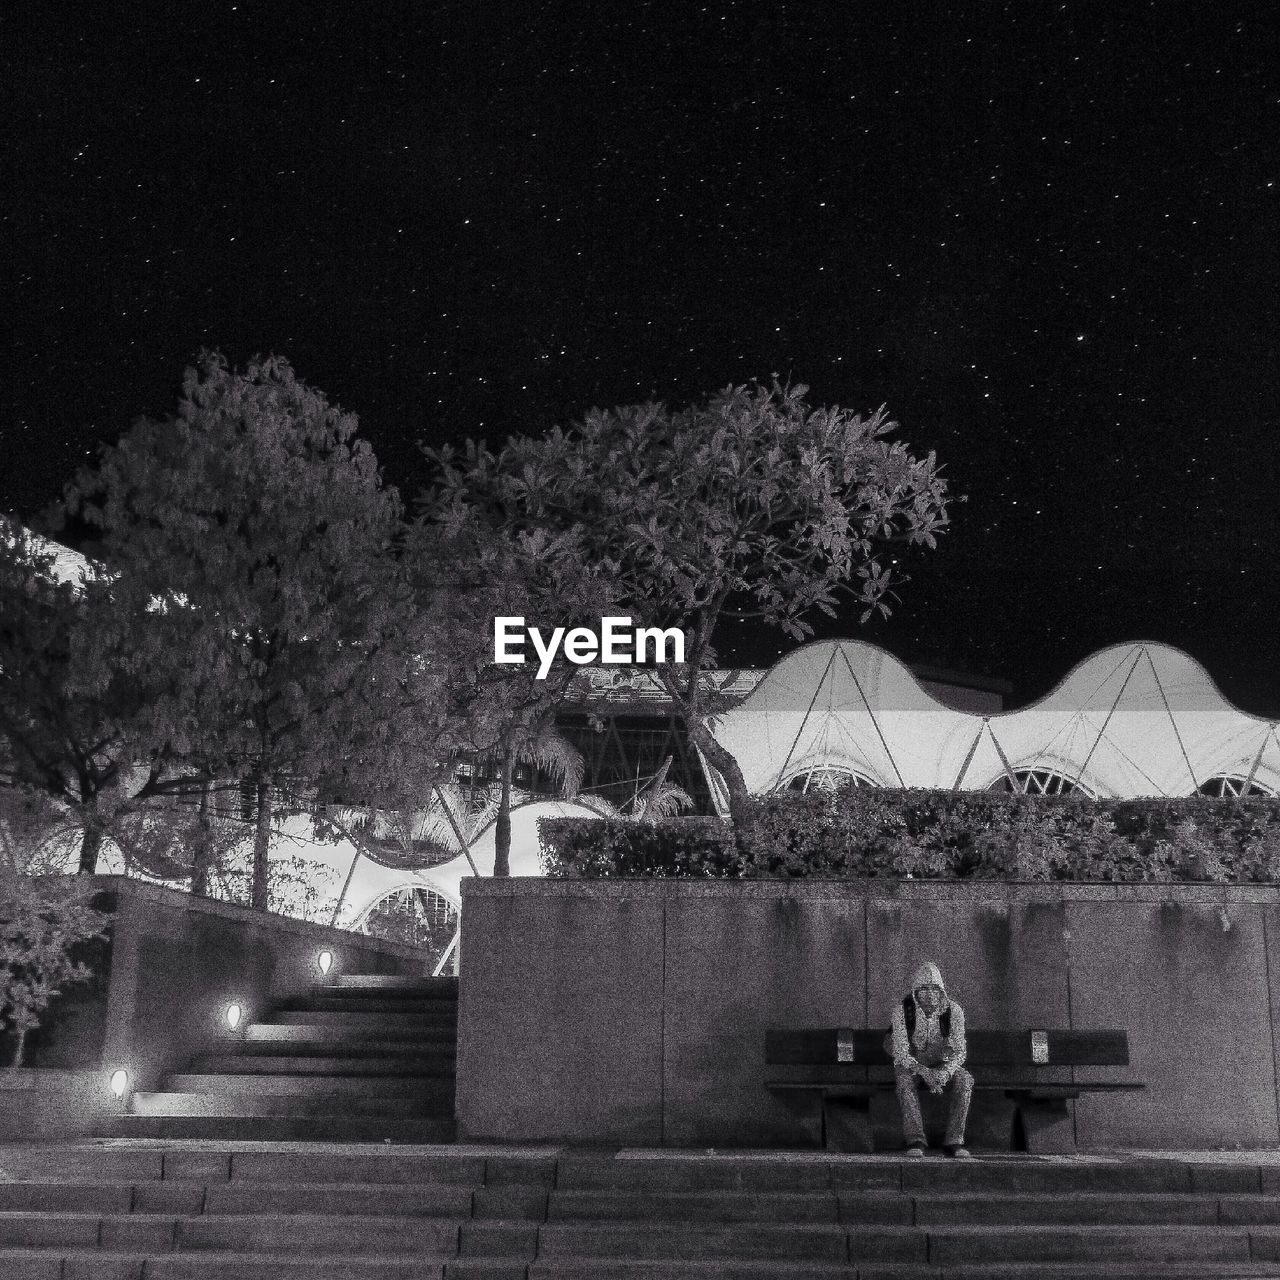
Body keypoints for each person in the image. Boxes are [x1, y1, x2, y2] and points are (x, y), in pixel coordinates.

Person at [888, 960, 973, 1158]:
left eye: (935, 988)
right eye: (924, 988)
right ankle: (915, 1139)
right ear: (916, 991)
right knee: (904, 1081)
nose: (929, 994)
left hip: (943, 1062)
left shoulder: (954, 1011)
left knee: (965, 1080)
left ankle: (954, 1140)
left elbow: (960, 1051)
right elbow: (900, 1052)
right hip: (912, 1062)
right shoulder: (902, 1011)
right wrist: (925, 1072)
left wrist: (945, 1072)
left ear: (941, 990)